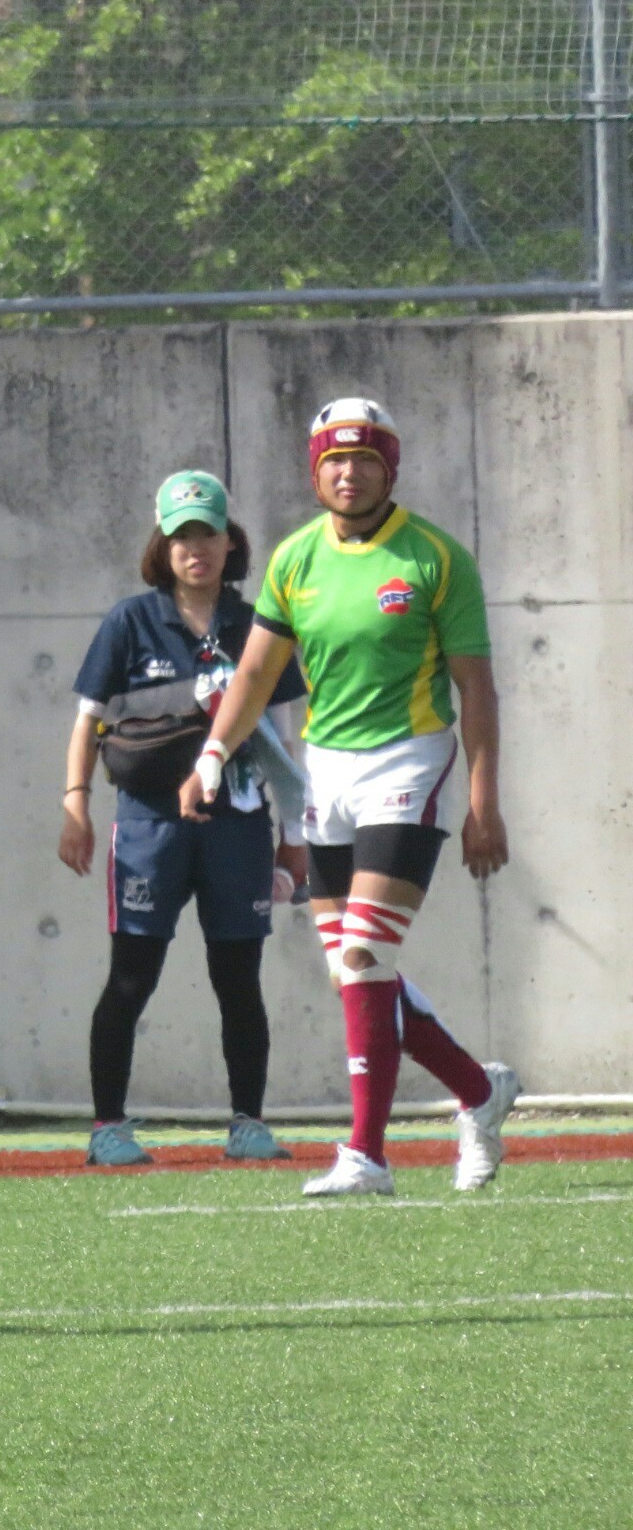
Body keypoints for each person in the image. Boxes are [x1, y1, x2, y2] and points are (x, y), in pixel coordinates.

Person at [179, 398, 520, 1197]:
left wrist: (484, 801)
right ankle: (478, 1092)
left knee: (366, 954)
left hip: (411, 757)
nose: (348, 472)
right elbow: (255, 672)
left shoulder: (436, 557)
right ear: (315, 470)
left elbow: (476, 686)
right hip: (326, 770)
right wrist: (212, 753)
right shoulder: (295, 558)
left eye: (365, 458)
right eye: (334, 458)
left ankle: (367, 1154)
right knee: (354, 973)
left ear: (389, 468)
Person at [60, 471, 307, 1167]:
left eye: (208, 533)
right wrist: (75, 803)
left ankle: (248, 1124)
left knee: (239, 979)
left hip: (238, 825)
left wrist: (294, 836)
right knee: (131, 977)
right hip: (148, 827)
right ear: (162, 547)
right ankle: (109, 1128)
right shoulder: (129, 622)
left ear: (231, 542)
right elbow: (87, 722)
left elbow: (287, 739)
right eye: (181, 536)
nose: (195, 548)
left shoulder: (258, 624)